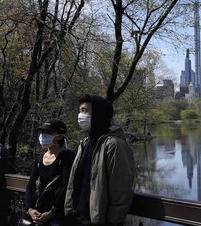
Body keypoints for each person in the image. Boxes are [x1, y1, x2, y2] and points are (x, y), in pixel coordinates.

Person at [65, 94, 135, 226]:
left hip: (98, 221)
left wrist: (113, 221)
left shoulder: (114, 145)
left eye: (84, 111)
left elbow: (121, 191)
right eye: (80, 111)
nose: (80, 116)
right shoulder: (84, 143)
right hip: (77, 217)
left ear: (98, 114)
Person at [25, 119, 75, 226]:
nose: (43, 136)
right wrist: (30, 209)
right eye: (42, 132)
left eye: (47, 133)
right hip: (36, 212)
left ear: (60, 136)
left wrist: (51, 213)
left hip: (57, 215)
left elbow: (67, 187)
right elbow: (30, 186)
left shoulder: (67, 157)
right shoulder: (39, 159)